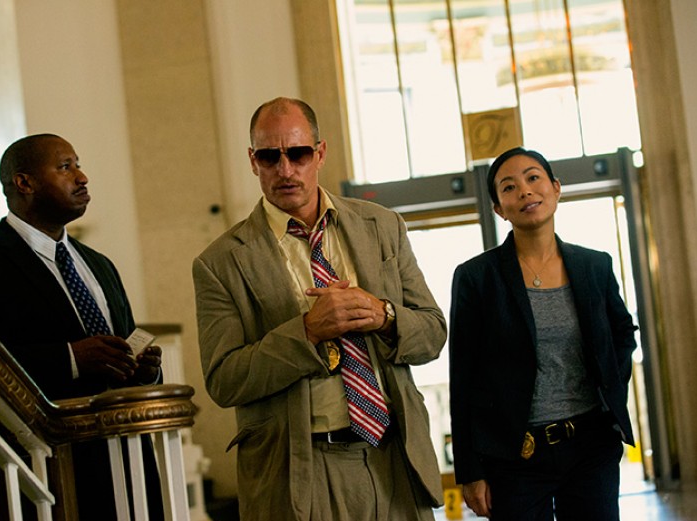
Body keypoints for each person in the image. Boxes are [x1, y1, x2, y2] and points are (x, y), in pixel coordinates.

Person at [192, 97, 448, 520]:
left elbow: (433, 333)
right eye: (270, 157)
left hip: (395, 458)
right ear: (253, 161)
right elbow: (224, 380)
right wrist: (307, 332)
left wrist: (384, 315)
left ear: (320, 153)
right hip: (301, 472)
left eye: (298, 154)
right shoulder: (221, 262)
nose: (286, 170)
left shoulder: (382, 226)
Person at [0, 134, 164, 519]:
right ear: (24, 182)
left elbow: (122, 347)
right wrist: (70, 359)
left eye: (78, 163)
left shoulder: (99, 265)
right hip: (40, 470)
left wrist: (143, 372)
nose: (82, 176)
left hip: (125, 466)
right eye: (65, 167)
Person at [449, 147, 638, 520]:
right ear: (499, 209)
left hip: (591, 445)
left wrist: (610, 394)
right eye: (509, 187)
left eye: (533, 178)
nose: (525, 191)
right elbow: (463, 376)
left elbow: (622, 333)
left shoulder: (594, 265)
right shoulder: (476, 278)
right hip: (515, 454)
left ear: (555, 188)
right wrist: (469, 472)